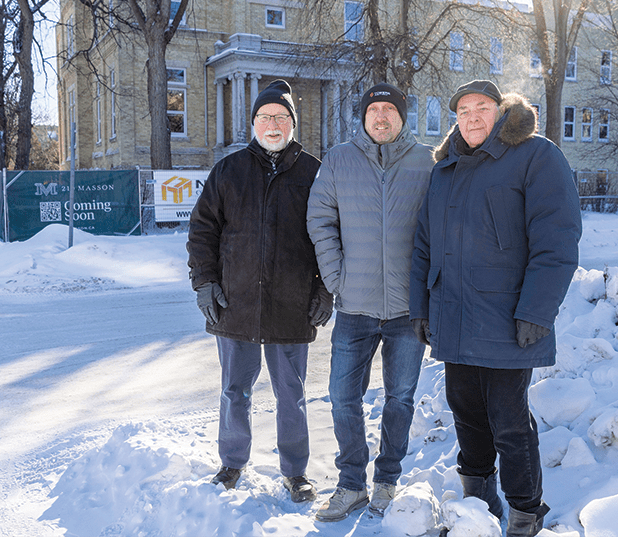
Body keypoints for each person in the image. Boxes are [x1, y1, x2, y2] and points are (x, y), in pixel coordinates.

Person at [409, 80, 582, 537]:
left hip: (508, 319)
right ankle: (479, 505)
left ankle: (525, 512)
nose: (472, 117)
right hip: (454, 317)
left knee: (508, 420)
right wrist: (420, 307)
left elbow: (557, 240)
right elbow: (424, 246)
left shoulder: (536, 156)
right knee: (466, 412)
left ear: (500, 110)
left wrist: (537, 311)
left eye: (481, 108)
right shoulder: (445, 169)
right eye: (463, 111)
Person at [186, 79, 333, 504]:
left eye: (281, 117)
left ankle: (295, 471)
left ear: (293, 124)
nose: (273, 124)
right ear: (253, 123)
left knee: (292, 393)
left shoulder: (314, 173)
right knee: (235, 390)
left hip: (292, 304)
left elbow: (330, 236)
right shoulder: (229, 171)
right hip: (236, 303)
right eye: (265, 117)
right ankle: (232, 462)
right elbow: (202, 231)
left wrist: (325, 290)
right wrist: (205, 282)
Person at [307, 83, 434, 521]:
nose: (381, 116)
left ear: (402, 116)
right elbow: (320, 218)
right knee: (342, 397)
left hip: (407, 309)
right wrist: (336, 276)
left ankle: (386, 480)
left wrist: (428, 288)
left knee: (400, 397)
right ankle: (350, 484)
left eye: (389, 109)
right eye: (373, 109)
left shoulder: (427, 161)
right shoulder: (339, 159)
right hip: (354, 307)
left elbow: (440, 227)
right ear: (363, 117)